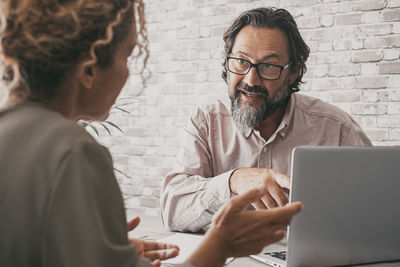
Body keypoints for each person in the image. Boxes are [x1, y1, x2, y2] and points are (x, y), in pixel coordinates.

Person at [0, 1, 303, 267]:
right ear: (90, 66)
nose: (129, 73)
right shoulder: (74, 153)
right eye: (128, 56)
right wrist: (222, 244)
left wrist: (112, 254)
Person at [161, 7, 372, 232]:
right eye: (241, 61)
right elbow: (173, 212)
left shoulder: (337, 129)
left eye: (268, 66)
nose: (251, 80)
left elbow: (379, 205)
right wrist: (233, 181)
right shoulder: (206, 122)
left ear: (293, 73)